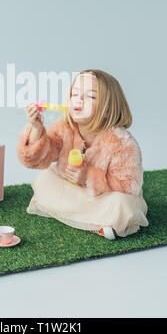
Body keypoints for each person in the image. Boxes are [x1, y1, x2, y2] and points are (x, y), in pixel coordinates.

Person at [17, 69, 149, 240]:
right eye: (75, 94)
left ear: (108, 110)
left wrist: (88, 177)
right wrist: (36, 128)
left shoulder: (123, 143)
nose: (78, 100)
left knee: (123, 205)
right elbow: (41, 157)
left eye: (91, 97)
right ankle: (97, 224)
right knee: (44, 179)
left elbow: (128, 185)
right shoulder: (64, 128)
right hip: (73, 192)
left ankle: (71, 215)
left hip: (103, 197)